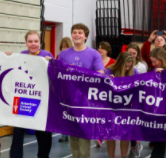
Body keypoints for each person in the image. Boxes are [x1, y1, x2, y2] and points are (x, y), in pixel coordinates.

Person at [0, 31, 53, 158]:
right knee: (17, 133)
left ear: (40, 42)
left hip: (41, 101)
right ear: (26, 43)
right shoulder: (21, 55)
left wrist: (52, 64)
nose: (33, 44)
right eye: (30, 41)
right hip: (23, 100)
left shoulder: (47, 55)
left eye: (35, 41)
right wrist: (5, 56)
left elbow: (54, 75)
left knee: (43, 133)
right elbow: (9, 68)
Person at [58, 23, 105, 158]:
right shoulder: (63, 54)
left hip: (86, 101)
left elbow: (100, 74)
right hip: (69, 100)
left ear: (85, 36)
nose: (77, 35)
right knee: (73, 135)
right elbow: (57, 74)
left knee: (84, 135)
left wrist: (80, 74)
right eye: (74, 32)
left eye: (80, 32)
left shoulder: (94, 54)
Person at [105, 52, 139, 158]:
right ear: (120, 64)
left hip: (126, 107)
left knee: (125, 134)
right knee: (110, 135)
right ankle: (111, 157)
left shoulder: (134, 71)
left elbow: (140, 85)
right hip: (111, 107)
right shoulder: (110, 70)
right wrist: (107, 80)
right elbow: (102, 87)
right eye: (126, 66)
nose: (128, 68)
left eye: (130, 66)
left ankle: (123, 156)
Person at [124, 43, 146, 158]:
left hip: (133, 100)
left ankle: (134, 144)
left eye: (134, 53)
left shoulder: (140, 67)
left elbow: (141, 84)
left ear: (137, 55)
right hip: (122, 101)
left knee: (133, 125)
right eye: (130, 53)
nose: (132, 55)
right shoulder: (121, 64)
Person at [56, 37, 73, 142]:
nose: (64, 49)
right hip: (62, 86)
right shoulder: (59, 56)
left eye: (66, 47)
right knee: (63, 111)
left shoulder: (73, 56)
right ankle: (64, 134)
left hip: (72, 87)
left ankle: (71, 132)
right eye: (63, 47)